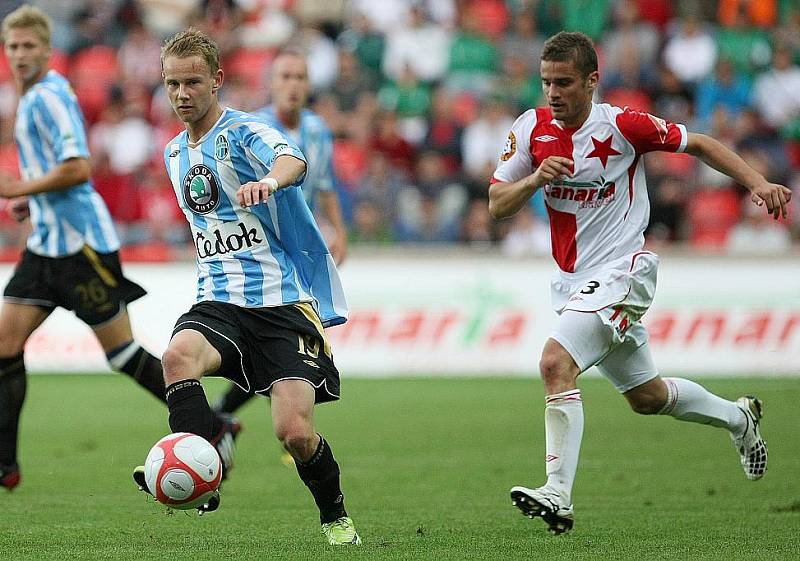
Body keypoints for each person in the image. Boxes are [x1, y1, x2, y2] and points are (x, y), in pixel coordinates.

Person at [488, 31, 790, 535]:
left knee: (554, 362)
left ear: (592, 81)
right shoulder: (531, 129)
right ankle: (740, 419)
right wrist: (536, 179)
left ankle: (557, 494)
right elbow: (497, 203)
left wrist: (756, 183)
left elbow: (700, 144)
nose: (552, 93)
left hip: (626, 271)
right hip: (573, 284)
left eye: (563, 82)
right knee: (646, 397)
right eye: (546, 83)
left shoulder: (624, 125)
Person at [132, 28, 360, 546]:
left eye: (192, 82)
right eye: (172, 84)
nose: (182, 94)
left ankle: (335, 518)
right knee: (176, 359)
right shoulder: (172, 154)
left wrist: (272, 182)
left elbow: (294, 160)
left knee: (296, 435)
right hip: (218, 301)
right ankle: (201, 477)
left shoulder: (245, 131)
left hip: (280, 303)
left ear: (216, 80)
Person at [0, 5, 237, 492]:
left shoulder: (49, 97)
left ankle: (212, 426)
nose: (20, 54)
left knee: (122, 353)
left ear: (47, 50)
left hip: (80, 248)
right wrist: (33, 200)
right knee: (4, 345)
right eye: (13, 46)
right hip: (47, 244)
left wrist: (19, 188)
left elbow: (80, 167)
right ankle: (5, 464)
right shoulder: (29, 99)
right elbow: (57, 174)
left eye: (29, 46)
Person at [212, 49, 348, 418]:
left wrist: (339, 230)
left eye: (300, 77)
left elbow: (324, 184)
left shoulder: (318, 130)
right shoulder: (252, 128)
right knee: (283, 336)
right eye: (285, 77)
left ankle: (228, 414)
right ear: (271, 84)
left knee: (291, 338)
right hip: (265, 249)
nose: (293, 85)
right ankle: (273, 420)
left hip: (302, 247)